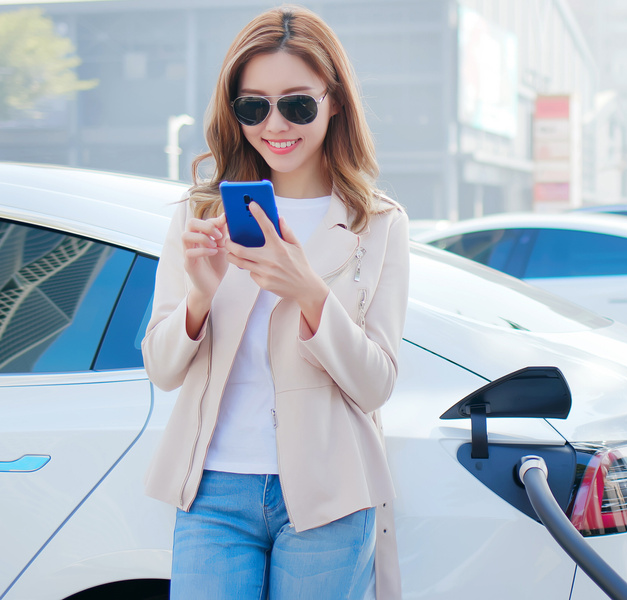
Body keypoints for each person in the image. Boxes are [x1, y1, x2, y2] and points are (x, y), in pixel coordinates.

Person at [141, 5, 408, 600]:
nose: (275, 124)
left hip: (330, 493)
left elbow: (376, 384)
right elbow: (161, 368)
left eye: (297, 103)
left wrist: (309, 293)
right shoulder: (201, 213)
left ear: (334, 100)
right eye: (253, 106)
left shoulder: (377, 224)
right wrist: (200, 294)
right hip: (214, 492)